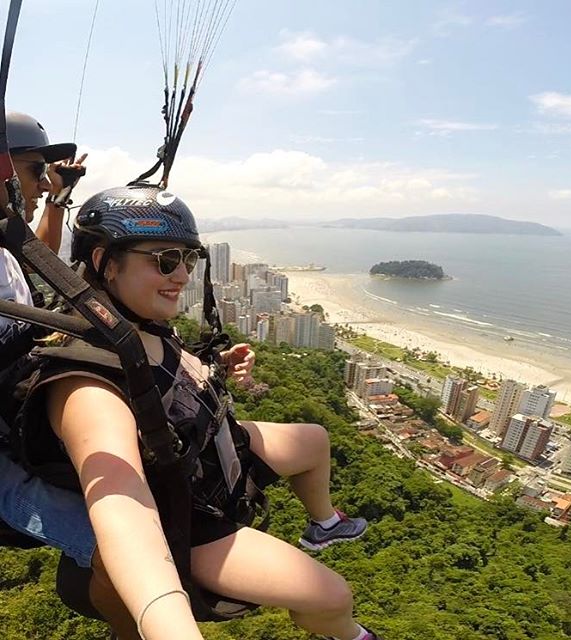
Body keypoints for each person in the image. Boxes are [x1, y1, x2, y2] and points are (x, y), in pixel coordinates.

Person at [17, 182, 380, 640]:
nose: (183, 275)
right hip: (189, 516)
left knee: (314, 439)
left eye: (189, 260)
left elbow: (165, 384)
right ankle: (349, 634)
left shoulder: (135, 326)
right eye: (165, 260)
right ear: (103, 263)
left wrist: (216, 368)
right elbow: (120, 500)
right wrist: (165, 619)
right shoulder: (87, 381)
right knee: (332, 595)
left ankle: (324, 525)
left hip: (209, 458)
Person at [0, 110, 94, 566]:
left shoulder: (4, 243)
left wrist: (59, 199)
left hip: (19, 419)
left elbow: (42, 259)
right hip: (3, 455)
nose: (43, 182)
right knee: (115, 548)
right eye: (35, 171)